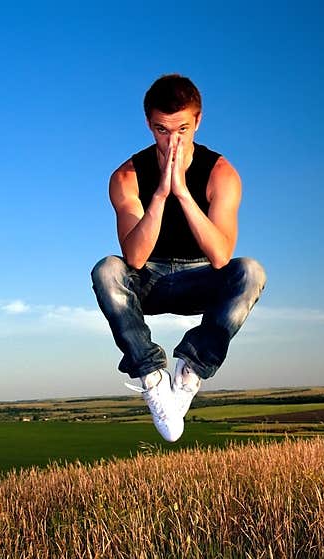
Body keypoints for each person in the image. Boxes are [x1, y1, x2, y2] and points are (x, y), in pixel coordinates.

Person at [91, 74, 267, 442]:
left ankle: (191, 367)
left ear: (198, 121)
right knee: (107, 269)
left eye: (182, 129)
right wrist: (159, 195)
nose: (172, 141)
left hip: (201, 278)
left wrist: (184, 194)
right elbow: (135, 258)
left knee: (250, 271)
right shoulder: (126, 176)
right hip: (150, 281)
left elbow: (220, 256)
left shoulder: (222, 174)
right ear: (148, 124)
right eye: (161, 129)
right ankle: (152, 376)